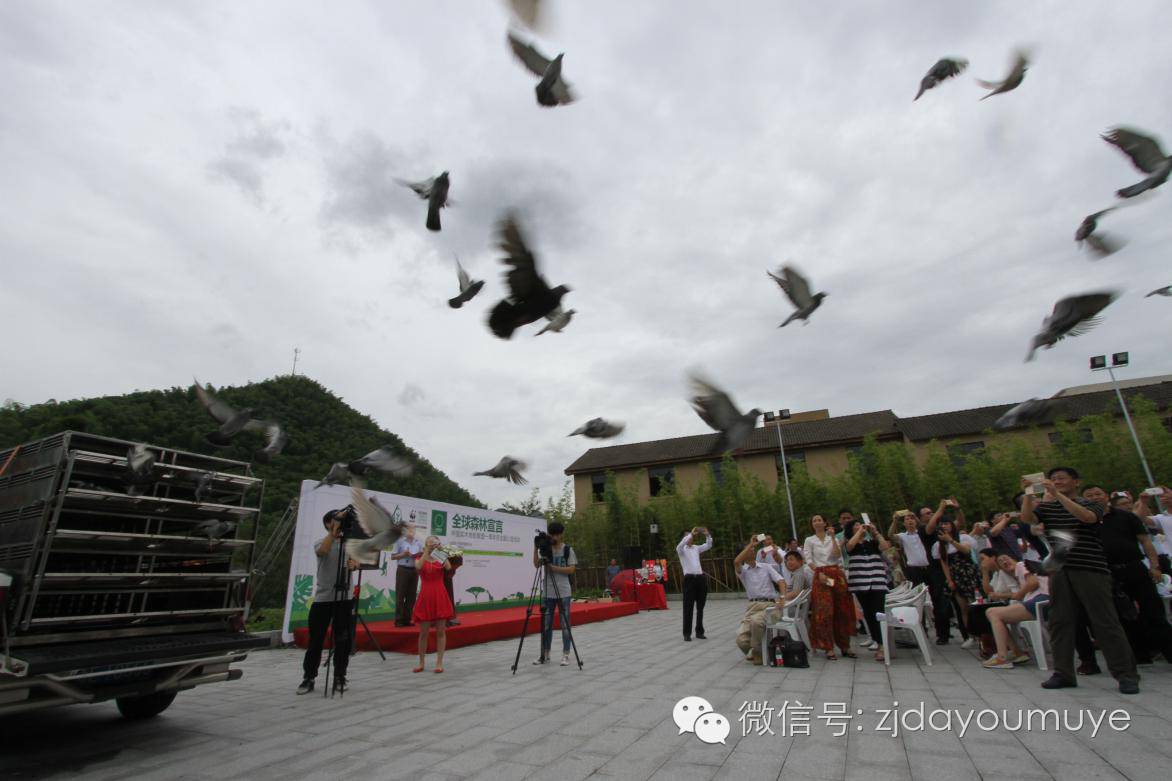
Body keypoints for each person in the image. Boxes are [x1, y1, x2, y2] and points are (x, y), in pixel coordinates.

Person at [1021, 466, 1139, 694]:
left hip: (1090, 567)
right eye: (1053, 479)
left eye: (1062, 479)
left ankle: (1125, 674)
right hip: (1060, 569)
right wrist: (1028, 493)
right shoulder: (1047, 507)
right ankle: (1063, 672)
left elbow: (1086, 518)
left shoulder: (1091, 504)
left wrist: (1057, 495)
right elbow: (1027, 518)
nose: (1057, 481)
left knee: (1105, 621)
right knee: (1060, 622)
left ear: (1076, 482)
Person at [1077, 486, 1172, 669]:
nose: (1095, 497)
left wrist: (1154, 566)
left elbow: (1145, 541)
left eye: (1098, 494)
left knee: (1154, 611)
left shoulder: (1126, 516)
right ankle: (1140, 656)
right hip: (1107, 573)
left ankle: (1168, 651)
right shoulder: (1085, 521)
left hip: (1135, 567)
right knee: (1124, 616)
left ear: (1107, 496)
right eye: (1089, 495)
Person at [297, 508, 359, 695]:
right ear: (327, 523)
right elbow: (322, 551)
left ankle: (340, 675)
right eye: (336, 520)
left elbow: (357, 563)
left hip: (345, 598)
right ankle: (309, 677)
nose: (340, 523)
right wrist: (333, 533)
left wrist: (355, 564)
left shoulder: (351, 545)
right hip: (323, 598)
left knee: (343, 640)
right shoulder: (321, 542)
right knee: (316, 639)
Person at [803, 514, 856, 660]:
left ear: (825, 523)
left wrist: (833, 538)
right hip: (821, 576)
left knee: (842, 609)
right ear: (812, 524)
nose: (817, 522)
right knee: (824, 611)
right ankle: (828, 647)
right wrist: (818, 572)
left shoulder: (832, 538)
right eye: (814, 520)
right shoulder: (809, 540)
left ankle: (845, 645)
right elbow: (808, 559)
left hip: (836, 574)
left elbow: (838, 555)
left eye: (820, 519)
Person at [983, 558, 1050, 669]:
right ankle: (1016, 652)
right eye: (1001, 563)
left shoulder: (1021, 564)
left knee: (992, 613)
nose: (1004, 562)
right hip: (1044, 603)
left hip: (1041, 601)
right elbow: (1016, 595)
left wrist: (1019, 594)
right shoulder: (1019, 576)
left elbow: (1033, 583)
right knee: (997, 615)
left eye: (1005, 559)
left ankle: (1002, 658)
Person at [841, 511, 890, 660]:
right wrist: (859, 532)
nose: (859, 526)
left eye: (859, 524)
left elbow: (885, 546)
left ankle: (882, 645)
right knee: (868, 613)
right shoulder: (851, 544)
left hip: (877, 581)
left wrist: (875, 532)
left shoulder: (871, 543)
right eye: (855, 525)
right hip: (860, 582)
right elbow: (849, 546)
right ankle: (877, 640)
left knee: (879, 612)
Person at [733, 536, 785, 664]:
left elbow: (781, 581)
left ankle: (757, 652)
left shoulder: (766, 567)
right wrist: (750, 544)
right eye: (748, 549)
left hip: (770, 606)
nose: (752, 550)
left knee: (756, 622)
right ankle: (758, 650)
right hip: (753, 606)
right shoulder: (743, 571)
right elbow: (736, 562)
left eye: (752, 548)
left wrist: (782, 598)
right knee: (741, 639)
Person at [533, 521, 577, 666]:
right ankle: (545, 654)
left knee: (565, 624)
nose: (554, 537)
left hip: (563, 591)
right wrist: (536, 548)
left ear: (561, 534)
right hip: (548, 592)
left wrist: (554, 568)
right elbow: (536, 564)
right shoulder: (546, 549)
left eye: (557, 534)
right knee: (546, 625)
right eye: (552, 534)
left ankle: (566, 654)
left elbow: (571, 570)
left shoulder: (567, 550)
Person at [935, 518, 979, 649]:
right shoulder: (939, 545)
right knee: (963, 608)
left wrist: (951, 540)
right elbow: (944, 563)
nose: (945, 526)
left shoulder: (963, 537)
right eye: (942, 524)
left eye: (947, 523)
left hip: (969, 573)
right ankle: (970, 636)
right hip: (956, 576)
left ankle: (984, 634)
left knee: (977, 604)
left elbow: (966, 551)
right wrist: (949, 580)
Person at [412, 535, 454, 673]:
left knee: (440, 631)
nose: (432, 546)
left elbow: (448, 567)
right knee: (423, 632)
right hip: (425, 595)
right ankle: (421, 662)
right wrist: (426, 552)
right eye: (429, 544)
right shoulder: (420, 557)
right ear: (425, 545)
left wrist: (440, 551)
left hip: (439, 594)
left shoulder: (439, 556)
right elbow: (418, 567)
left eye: (434, 543)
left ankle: (439, 663)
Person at [966, 549, 1011, 657]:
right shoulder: (996, 574)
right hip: (1000, 601)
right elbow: (988, 591)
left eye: (983, 559)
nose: (982, 562)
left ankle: (989, 644)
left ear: (993, 558)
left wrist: (998, 596)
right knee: (973, 608)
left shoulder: (1005, 571)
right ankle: (985, 640)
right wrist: (985, 573)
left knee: (980, 610)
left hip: (1008, 601)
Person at [676, 526, 713, 642]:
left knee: (700, 607)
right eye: (687, 536)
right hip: (689, 580)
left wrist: (707, 535)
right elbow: (681, 544)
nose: (691, 538)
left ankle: (699, 631)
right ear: (684, 538)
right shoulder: (681, 549)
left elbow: (708, 545)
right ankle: (687, 633)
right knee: (688, 607)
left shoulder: (696, 548)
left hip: (700, 579)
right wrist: (691, 534)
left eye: (691, 536)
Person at [390, 525, 423, 627]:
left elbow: (421, 555)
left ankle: (407, 619)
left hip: (414, 570)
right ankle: (399, 620)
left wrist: (419, 555)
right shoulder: (400, 541)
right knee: (400, 595)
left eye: (413, 529)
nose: (411, 531)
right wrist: (403, 554)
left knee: (411, 596)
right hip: (403, 569)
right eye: (409, 529)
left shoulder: (418, 542)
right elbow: (393, 556)